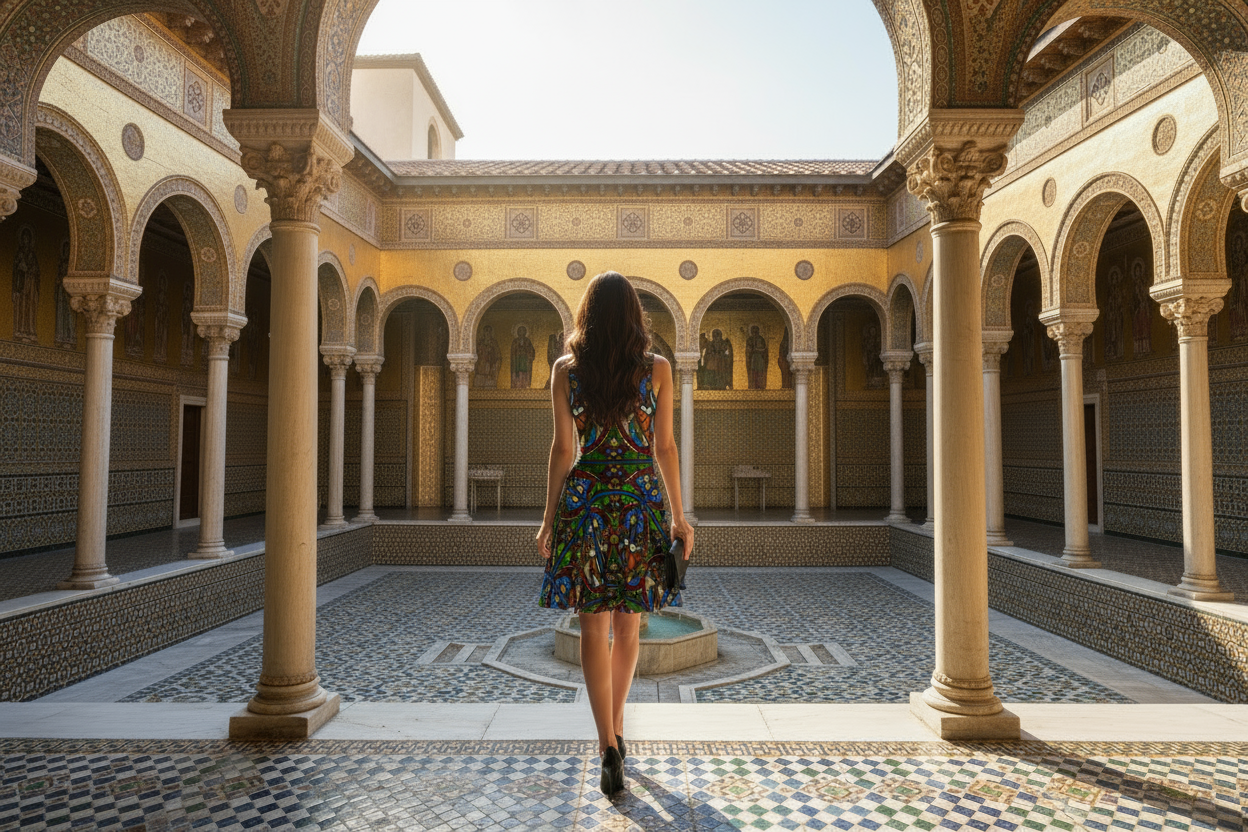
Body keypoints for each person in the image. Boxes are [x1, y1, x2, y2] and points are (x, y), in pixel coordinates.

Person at [537, 271, 694, 797]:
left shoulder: (566, 370)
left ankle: (607, 740)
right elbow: (664, 448)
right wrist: (678, 516)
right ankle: (615, 736)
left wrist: (548, 517)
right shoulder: (657, 369)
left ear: (587, 313)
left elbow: (563, 450)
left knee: (590, 631)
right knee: (628, 629)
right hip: (638, 502)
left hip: (586, 504)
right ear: (634, 316)